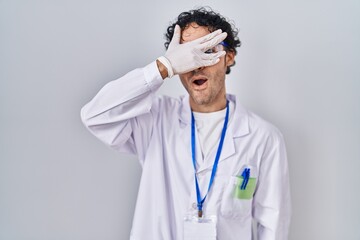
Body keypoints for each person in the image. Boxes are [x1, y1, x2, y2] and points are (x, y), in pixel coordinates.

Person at [81, 7, 291, 240]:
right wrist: (163, 67)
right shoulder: (154, 120)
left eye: (207, 51)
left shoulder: (263, 138)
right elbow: (95, 116)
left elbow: (273, 226)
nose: (196, 65)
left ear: (229, 56)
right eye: (188, 56)